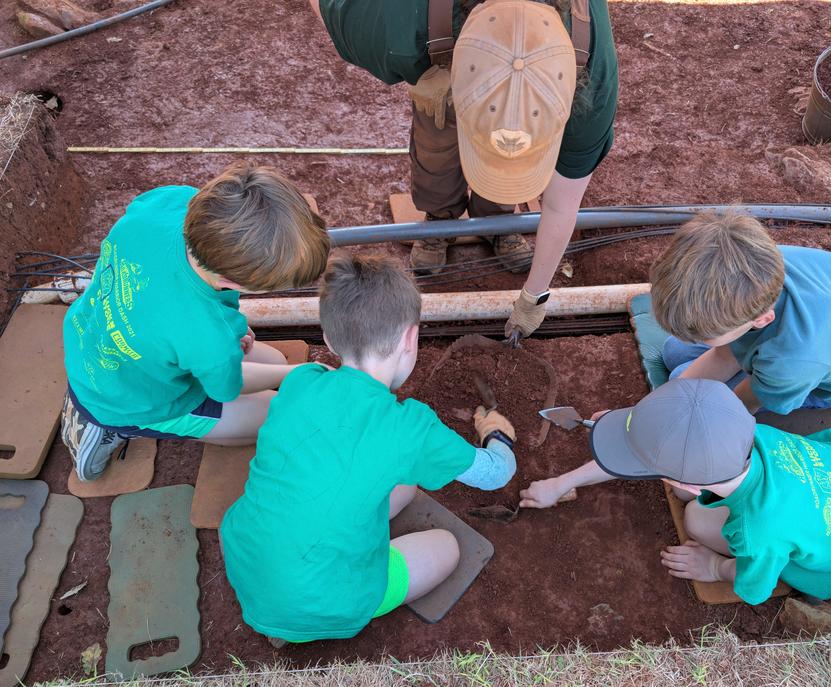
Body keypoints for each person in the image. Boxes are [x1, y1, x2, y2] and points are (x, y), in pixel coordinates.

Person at [220, 253, 518, 643]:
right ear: (411, 337)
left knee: (403, 486)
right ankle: (349, 596)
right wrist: (498, 434)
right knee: (447, 547)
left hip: (244, 558)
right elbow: (497, 474)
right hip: (324, 604)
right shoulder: (410, 428)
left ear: (328, 337)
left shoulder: (301, 382)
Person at [310, 0, 619, 340]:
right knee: (436, 142)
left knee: (497, 167)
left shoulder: (593, 80)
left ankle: (497, 220)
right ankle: (440, 217)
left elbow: (562, 204)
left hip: (444, 33)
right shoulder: (396, 23)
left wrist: (535, 296)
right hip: (437, 40)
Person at [520, 378, 831, 605]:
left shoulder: (757, 532)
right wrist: (562, 482)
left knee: (697, 517)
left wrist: (714, 568)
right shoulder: (750, 433)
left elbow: (755, 588)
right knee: (700, 508)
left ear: (685, 482)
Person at [60, 163, 330, 481]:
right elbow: (228, 388)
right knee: (272, 413)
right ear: (231, 280)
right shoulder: (208, 334)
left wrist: (236, 342)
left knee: (271, 359)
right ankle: (108, 426)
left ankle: (100, 397)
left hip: (91, 340)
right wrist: (297, 374)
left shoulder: (171, 203)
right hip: (135, 400)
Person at [649, 210, 831, 415]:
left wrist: (685, 410)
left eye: (706, 336)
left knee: (683, 381)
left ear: (761, 319)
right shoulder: (749, 261)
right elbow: (724, 352)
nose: (692, 340)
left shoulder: (793, 360)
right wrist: (662, 404)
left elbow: (744, 403)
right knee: (675, 352)